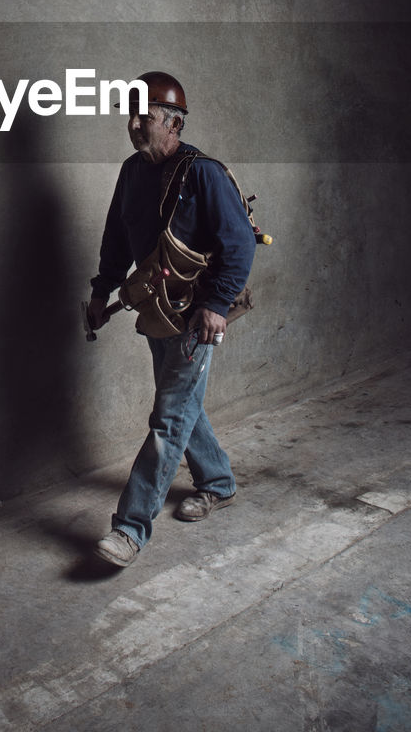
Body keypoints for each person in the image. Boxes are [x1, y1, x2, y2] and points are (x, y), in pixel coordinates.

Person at [87, 71, 256, 568]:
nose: (136, 124)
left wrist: (217, 305)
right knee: (181, 406)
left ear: (174, 122)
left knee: (167, 419)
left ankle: (130, 530)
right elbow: (116, 238)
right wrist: (102, 291)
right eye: (131, 115)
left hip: (197, 318)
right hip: (156, 309)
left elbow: (240, 241)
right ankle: (219, 483)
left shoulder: (202, 172)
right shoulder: (131, 170)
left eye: (147, 116)